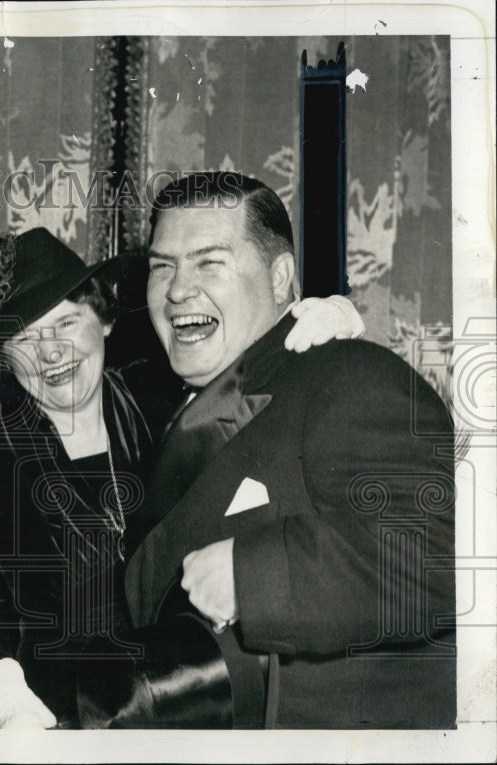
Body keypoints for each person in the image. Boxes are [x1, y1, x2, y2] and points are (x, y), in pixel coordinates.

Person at [0, 226, 364, 729]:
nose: (50, 353)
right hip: (52, 717)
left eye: (67, 323)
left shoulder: (162, 405)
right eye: (24, 338)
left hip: (185, 699)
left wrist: (326, 329)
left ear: (104, 320)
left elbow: (256, 386)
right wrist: (9, 699)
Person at [124, 172, 456, 728]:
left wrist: (251, 578)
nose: (178, 289)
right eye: (163, 266)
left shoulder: (349, 376)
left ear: (281, 279)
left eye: (209, 261)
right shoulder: (172, 401)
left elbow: (437, 557)